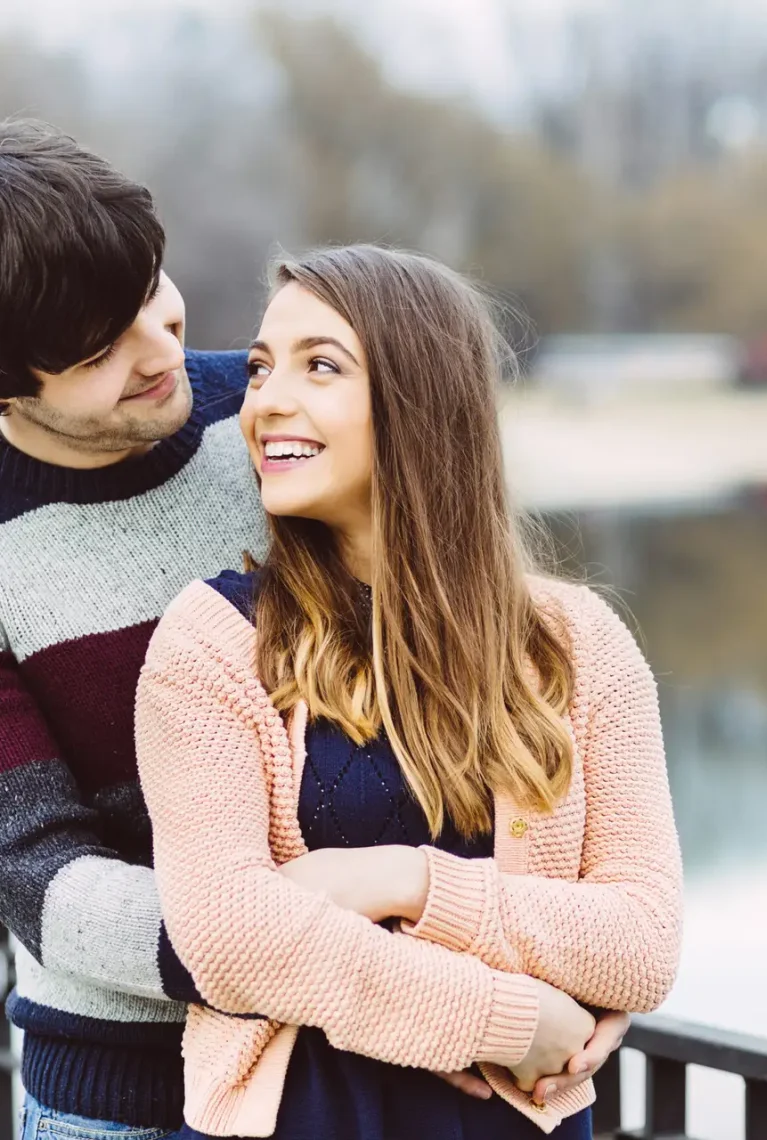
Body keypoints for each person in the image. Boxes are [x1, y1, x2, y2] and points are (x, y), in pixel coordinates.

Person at [0, 119, 631, 1140]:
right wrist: (451, 996)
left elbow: (456, 601)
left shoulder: (275, 415)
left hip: (394, 1074)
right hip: (126, 1091)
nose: (163, 355)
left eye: (153, 300)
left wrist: (558, 964)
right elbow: (39, 876)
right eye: (103, 351)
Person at [135, 244, 684, 1139]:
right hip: (306, 1116)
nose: (267, 398)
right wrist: (496, 1016)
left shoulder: (579, 645)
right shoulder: (213, 643)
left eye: (320, 367)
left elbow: (642, 940)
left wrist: (401, 881)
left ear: (421, 398)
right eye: (264, 368)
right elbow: (226, 936)